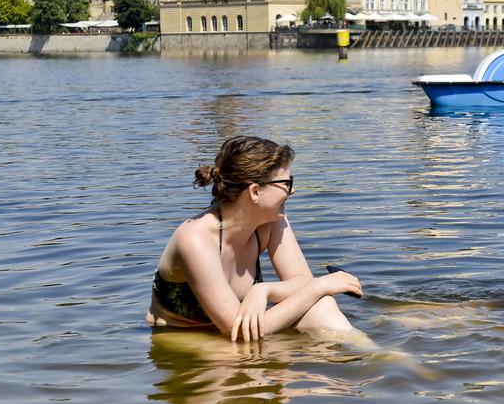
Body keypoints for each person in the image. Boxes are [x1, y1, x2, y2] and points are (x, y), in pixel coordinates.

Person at [147, 135, 362, 340]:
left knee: (322, 306)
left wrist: (264, 289)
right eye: (287, 182)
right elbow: (236, 331)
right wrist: (321, 285)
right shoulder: (195, 239)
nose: (293, 190)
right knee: (253, 374)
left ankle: (375, 358)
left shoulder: (271, 219)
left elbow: (301, 283)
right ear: (255, 191)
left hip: (236, 335)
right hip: (184, 339)